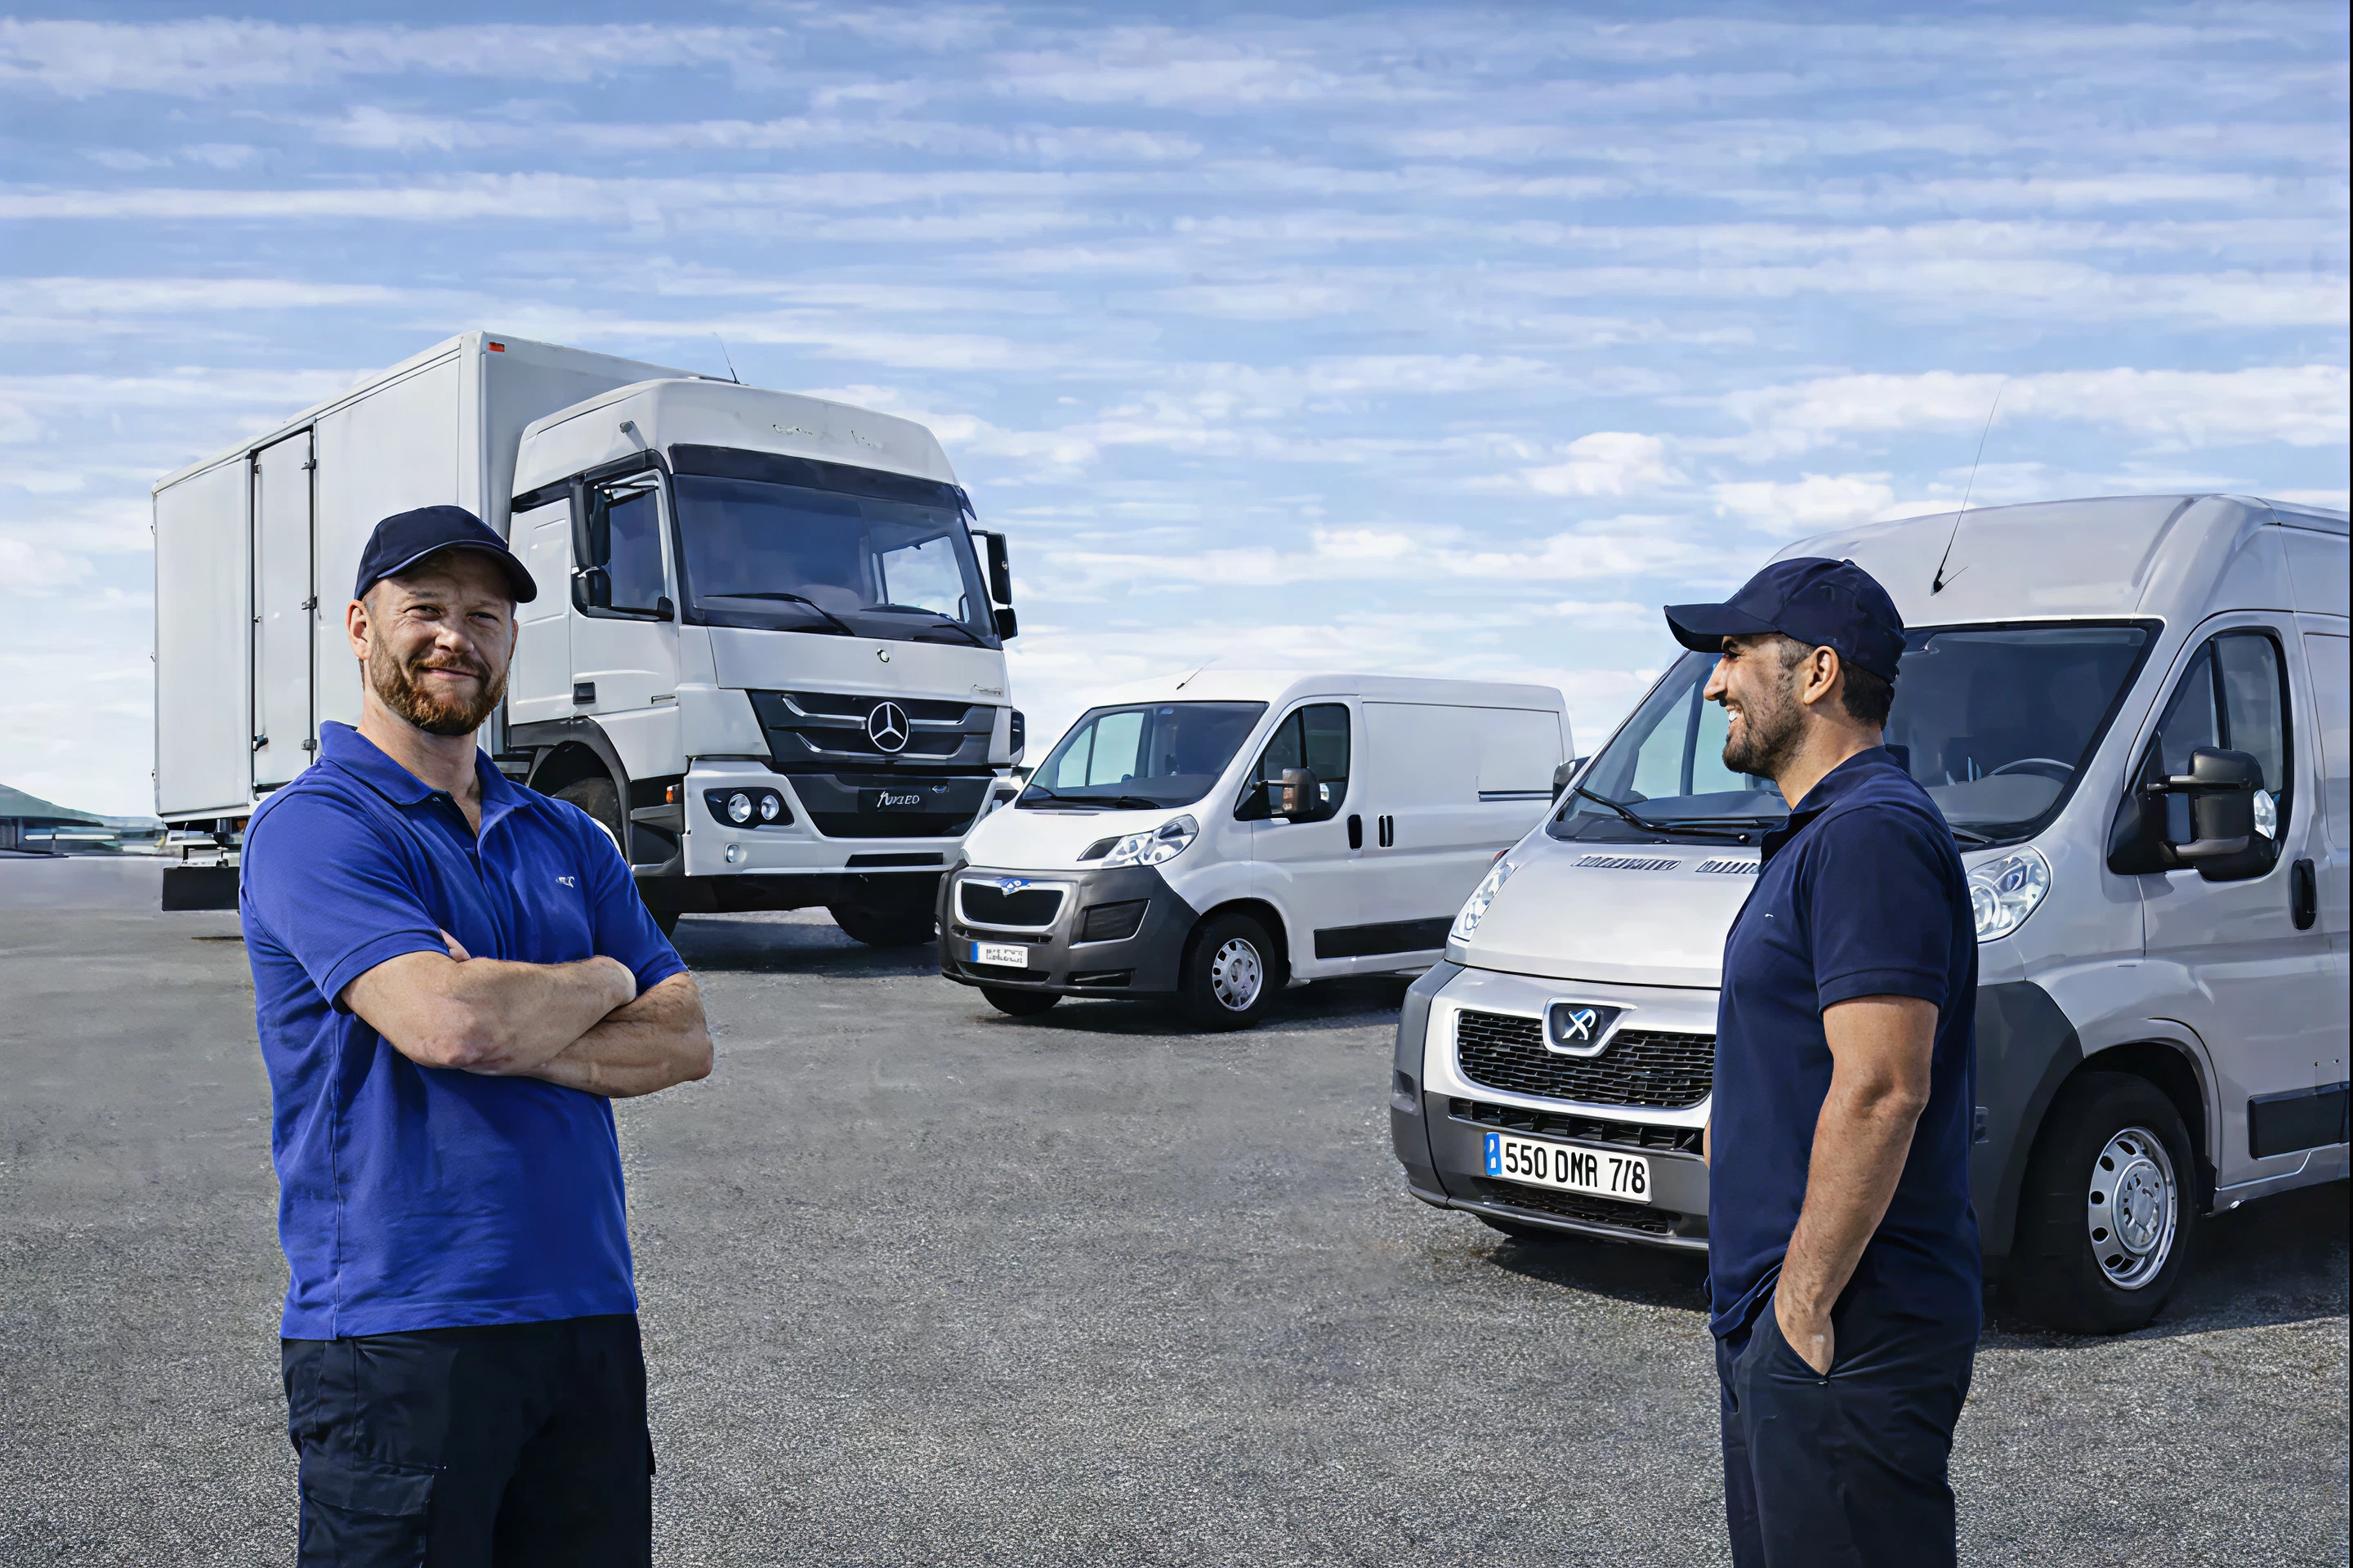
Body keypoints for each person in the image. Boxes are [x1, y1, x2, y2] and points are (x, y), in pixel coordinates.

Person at [239, 504, 713, 1566]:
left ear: (509, 638)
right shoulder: (315, 825)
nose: (457, 634)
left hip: (587, 1317)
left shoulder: (564, 834)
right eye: (427, 608)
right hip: (399, 1332)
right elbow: (445, 1018)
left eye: (485, 613)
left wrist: (509, 1018)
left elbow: (684, 1033)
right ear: (362, 625)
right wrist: (600, 979)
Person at [1663, 557, 1980, 1568]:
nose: (1715, 684)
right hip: (1789, 1320)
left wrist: (1798, 1309)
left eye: (1734, 656)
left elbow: (1886, 1086)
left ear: (1816, 674)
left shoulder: (1871, 835)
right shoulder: (1822, 835)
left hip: (1848, 1321)